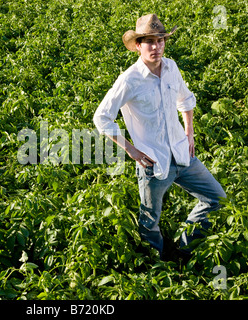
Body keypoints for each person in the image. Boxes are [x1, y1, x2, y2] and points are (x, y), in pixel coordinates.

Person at [93, 14, 226, 260]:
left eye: (160, 40)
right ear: (137, 46)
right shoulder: (129, 80)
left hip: (182, 154)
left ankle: (183, 249)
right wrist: (131, 150)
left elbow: (185, 99)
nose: (156, 47)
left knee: (216, 199)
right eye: (149, 42)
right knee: (149, 221)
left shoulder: (171, 67)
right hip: (153, 163)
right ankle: (157, 263)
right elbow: (101, 117)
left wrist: (189, 130)